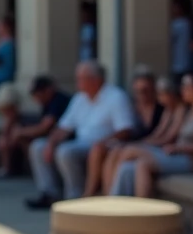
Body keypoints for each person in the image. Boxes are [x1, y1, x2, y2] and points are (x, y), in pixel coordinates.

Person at [24, 60, 134, 209]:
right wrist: (51, 143)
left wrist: (103, 142)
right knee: (38, 146)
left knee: (66, 151)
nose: (78, 82)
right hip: (80, 142)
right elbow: (64, 127)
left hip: (102, 145)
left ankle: (74, 197)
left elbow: (125, 130)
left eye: (81, 78)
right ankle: (49, 193)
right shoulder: (79, 98)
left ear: (96, 79)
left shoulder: (116, 97)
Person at [109, 70, 193, 197]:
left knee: (140, 162)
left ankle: (141, 211)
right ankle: (117, 205)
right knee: (127, 168)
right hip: (176, 153)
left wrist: (179, 148)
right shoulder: (187, 110)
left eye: (186, 86)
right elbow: (163, 131)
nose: (182, 89)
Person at [81, 67, 162, 196]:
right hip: (135, 146)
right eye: (138, 91)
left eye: (146, 90)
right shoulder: (133, 108)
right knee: (110, 151)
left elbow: (161, 135)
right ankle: (107, 196)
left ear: (154, 89)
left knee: (119, 154)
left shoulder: (161, 109)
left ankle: (109, 198)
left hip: (150, 147)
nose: (142, 94)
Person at [102, 75, 186, 193]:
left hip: (167, 150)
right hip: (156, 147)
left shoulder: (179, 110)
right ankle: (109, 196)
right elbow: (158, 133)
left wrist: (142, 144)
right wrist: (142, 143)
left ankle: (113, 197)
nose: (160, 98)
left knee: (128, 151)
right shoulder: (168, 110)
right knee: (119, 155)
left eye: (162, 94)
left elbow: (169, 138)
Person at [0, 75, 71, 178]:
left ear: (47, 90)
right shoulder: (46, 103)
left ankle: (37, 174)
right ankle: (10, 169)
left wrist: (21, 132)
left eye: (38, 94)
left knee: (32, 142)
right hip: (52, 136)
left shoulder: (58, 101)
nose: (36, 99)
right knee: (14, 137)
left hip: (65, 137)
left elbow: (45, 128)